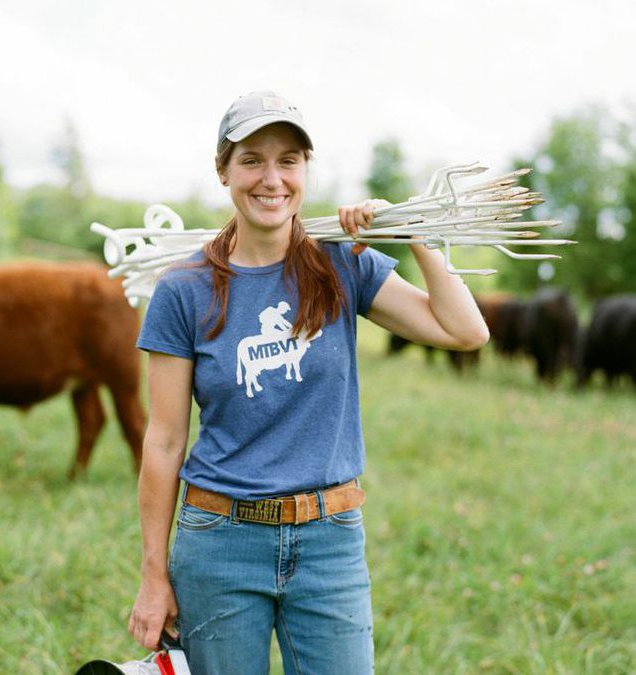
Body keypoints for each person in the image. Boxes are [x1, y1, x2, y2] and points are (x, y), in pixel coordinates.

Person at [128, 91, 489, 674]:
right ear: (223, 171)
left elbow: (465, 331)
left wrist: (410, 230)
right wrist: (152, 574)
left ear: (305, 171)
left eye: (289, 160)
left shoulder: (342, 265)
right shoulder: (183, 290)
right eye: (252, 160)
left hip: (330, 541)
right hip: (220, 540)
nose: (271, 179)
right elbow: (164, 441)